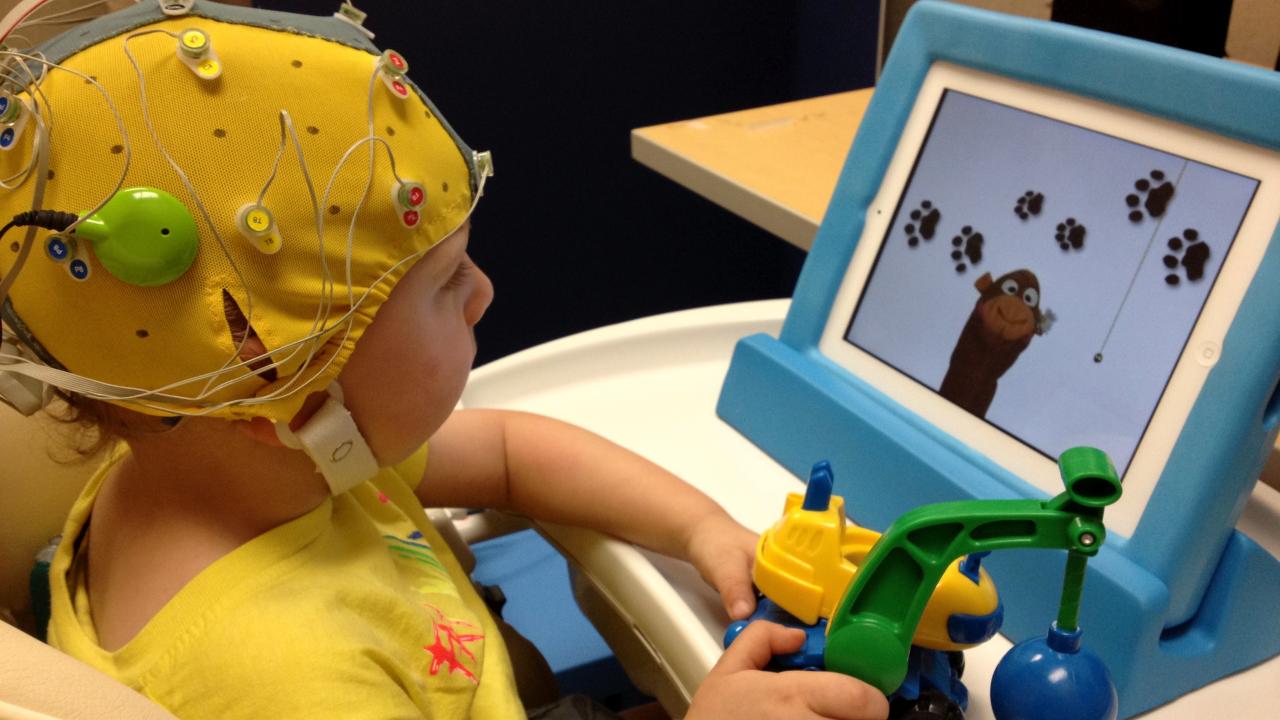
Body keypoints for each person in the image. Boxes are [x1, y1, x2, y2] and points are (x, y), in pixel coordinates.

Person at [0, 2, 888, 719]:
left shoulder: (245, 455)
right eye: (446, 281)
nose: (484, 292)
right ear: (277, 382)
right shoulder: (292, 681)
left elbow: (506, 450)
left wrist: (704, 531)